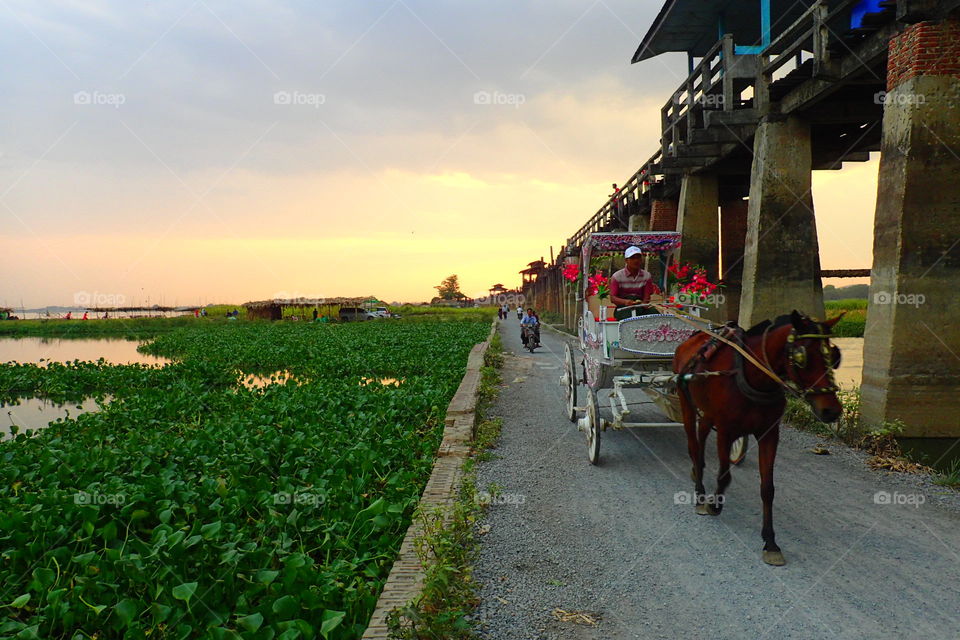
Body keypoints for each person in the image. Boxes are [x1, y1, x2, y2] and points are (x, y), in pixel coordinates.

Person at [609, 246, 661, 320]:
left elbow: (647, 296)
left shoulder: (646, 276)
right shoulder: (617, 276)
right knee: (629, 318)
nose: (636, 260)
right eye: (632, 258)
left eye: (638, 258)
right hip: (624, 307)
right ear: (626, 260)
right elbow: (613, 298)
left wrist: (644, 303)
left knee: (656, 315)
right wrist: (626, 302)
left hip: (640, 306)